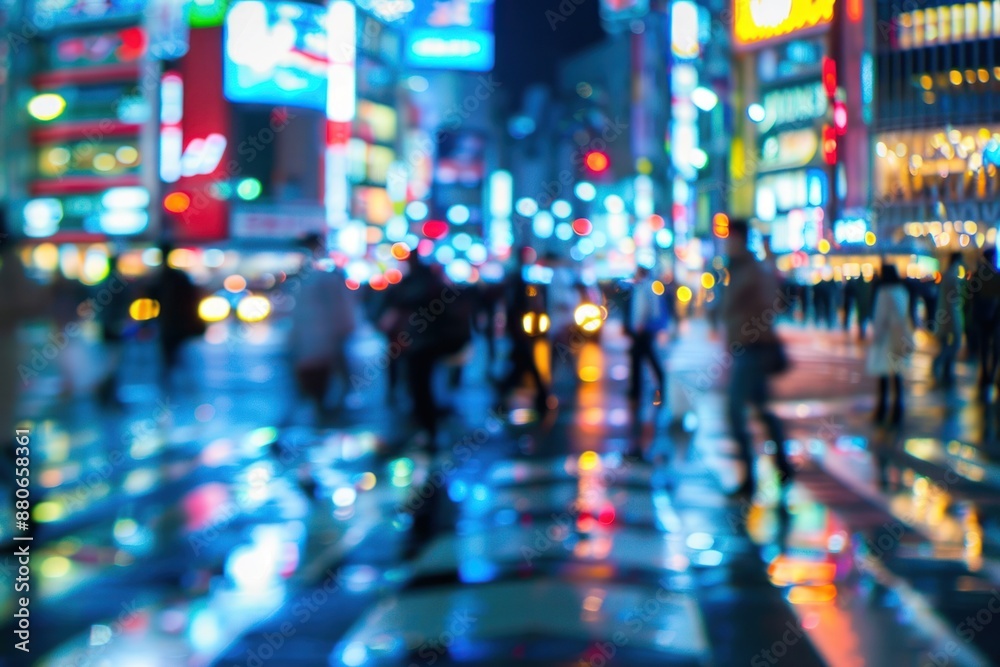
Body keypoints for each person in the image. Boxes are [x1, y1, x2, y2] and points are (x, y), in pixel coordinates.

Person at [720, 219, 793, 498]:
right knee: (762, 409)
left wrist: (749, 333)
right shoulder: (737, 268)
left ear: (739, 238)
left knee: (735, 411)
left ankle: (750, 478)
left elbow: (767, 306)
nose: (726, 242)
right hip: (746, 348)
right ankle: (783, 467)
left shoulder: (750, 270)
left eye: (730, 237)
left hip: (753, 349)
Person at [287, 234, 356, 421]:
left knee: (330, 370)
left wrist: (344, 328)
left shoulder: (325, 272)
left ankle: (331, 405)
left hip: (326, 334)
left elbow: (339, 304)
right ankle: (324, 406)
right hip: (315, 336)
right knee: (320, 372)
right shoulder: (307, 275)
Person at [150, 242, 205, 390]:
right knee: (176, 356)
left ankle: (172, 385)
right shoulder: (173, 278)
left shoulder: (163, 278)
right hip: (174, 325)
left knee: (172, 356)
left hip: (172, 325)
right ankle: (177, 385)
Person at [500, 248, 549, 414]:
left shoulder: (517, 279)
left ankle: (540, 397)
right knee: (525, 364)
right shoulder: (518, 280)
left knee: (522, 365)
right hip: (518, 330)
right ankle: (541, 398)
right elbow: (516, 307)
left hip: (518, 330)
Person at [868, 265, 913, 425]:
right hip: (899, 337)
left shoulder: (884, 293)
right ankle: (898, 410)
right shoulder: (902, 291)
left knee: (884, 377)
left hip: (887, 339)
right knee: (897, 375)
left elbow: (880, 317)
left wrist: (876, 337)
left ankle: (882, 410)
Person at [626, 265, 666, 404]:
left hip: (644, 331)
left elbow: (651, 310)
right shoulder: (640, 287)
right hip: (640, 331)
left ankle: (642, 390)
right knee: (639, 360)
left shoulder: (647, 288)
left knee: (646, 359)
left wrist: (643, 325)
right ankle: (637, 390)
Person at [934, 253, 965, 388]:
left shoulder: (948, 274)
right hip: (950, 315)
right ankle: (940, 364)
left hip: (945, 314)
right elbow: (953, 300)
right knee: (954, 343)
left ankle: (946, 371)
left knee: (947, 343)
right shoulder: (953, 276)